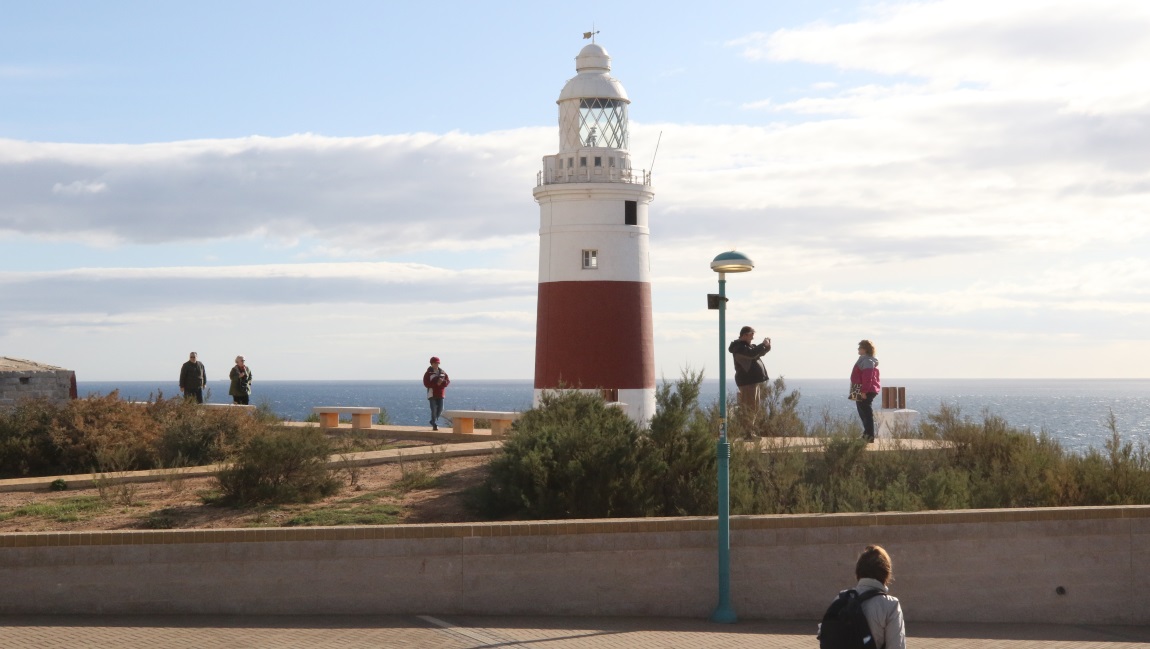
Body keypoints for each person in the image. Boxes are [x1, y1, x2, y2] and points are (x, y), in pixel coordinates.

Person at [854, 545, 906, 649]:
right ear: (885, 573)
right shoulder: (890, 605)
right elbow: (896, 646)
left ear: (858, 571)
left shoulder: (840, 600)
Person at [728, 326, 771, 415]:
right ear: (744, 335)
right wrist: (763, 344)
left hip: (752, 382)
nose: (753, 336)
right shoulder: (739, 348)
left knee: (754, 409)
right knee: (748, 410)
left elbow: (758, 352)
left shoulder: (747, 347)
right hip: (747, 382)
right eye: (751, 334)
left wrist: (767, 346)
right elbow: (752, 354)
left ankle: (750, 428)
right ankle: (746, 428)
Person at [851, 340, 881, 442]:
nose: (858, 349)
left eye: (859, 347)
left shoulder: (867, 361)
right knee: (862, 412)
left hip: (864, 389)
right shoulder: (863, 359)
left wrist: (864, 391)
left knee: (866, 412)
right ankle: (866, 434)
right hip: (857, 388)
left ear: (865, 349)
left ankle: (869, 436)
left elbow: (868, 378)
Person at [423, 356, 450, 431]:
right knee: (434, 409)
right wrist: (436, 383)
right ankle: (434, 423)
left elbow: (447, 381)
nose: (436, 365)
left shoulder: (443, 372)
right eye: (435, 363)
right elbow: (426, 384)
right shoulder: (428, 373)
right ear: (431, 364)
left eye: (437, 363)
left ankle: (433, 421)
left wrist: (442, 382)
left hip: (440, 394)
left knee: (440, 409)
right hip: (432, 394)